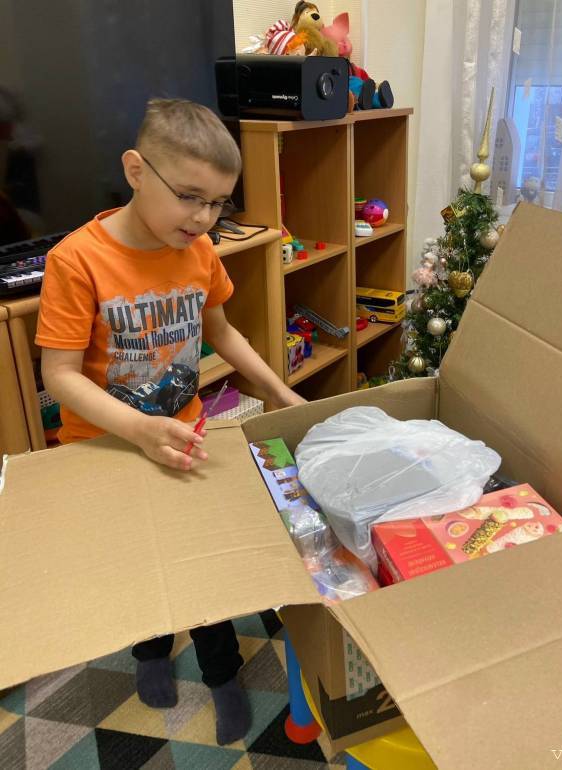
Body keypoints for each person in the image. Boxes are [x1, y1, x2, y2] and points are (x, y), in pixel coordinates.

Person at [36, 98, 306, 745]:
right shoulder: (76, 260)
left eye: (218, 204)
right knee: (141, 569)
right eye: (189, 197)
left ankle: (222, 674)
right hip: (106, 451)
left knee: (201, 567)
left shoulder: (199, 250)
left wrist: (278, 389)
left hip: (184, 438)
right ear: (135, 170)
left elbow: (221, 331)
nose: (203, 218)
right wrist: (137, 431)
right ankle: (151, 654)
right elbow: (60, 375)